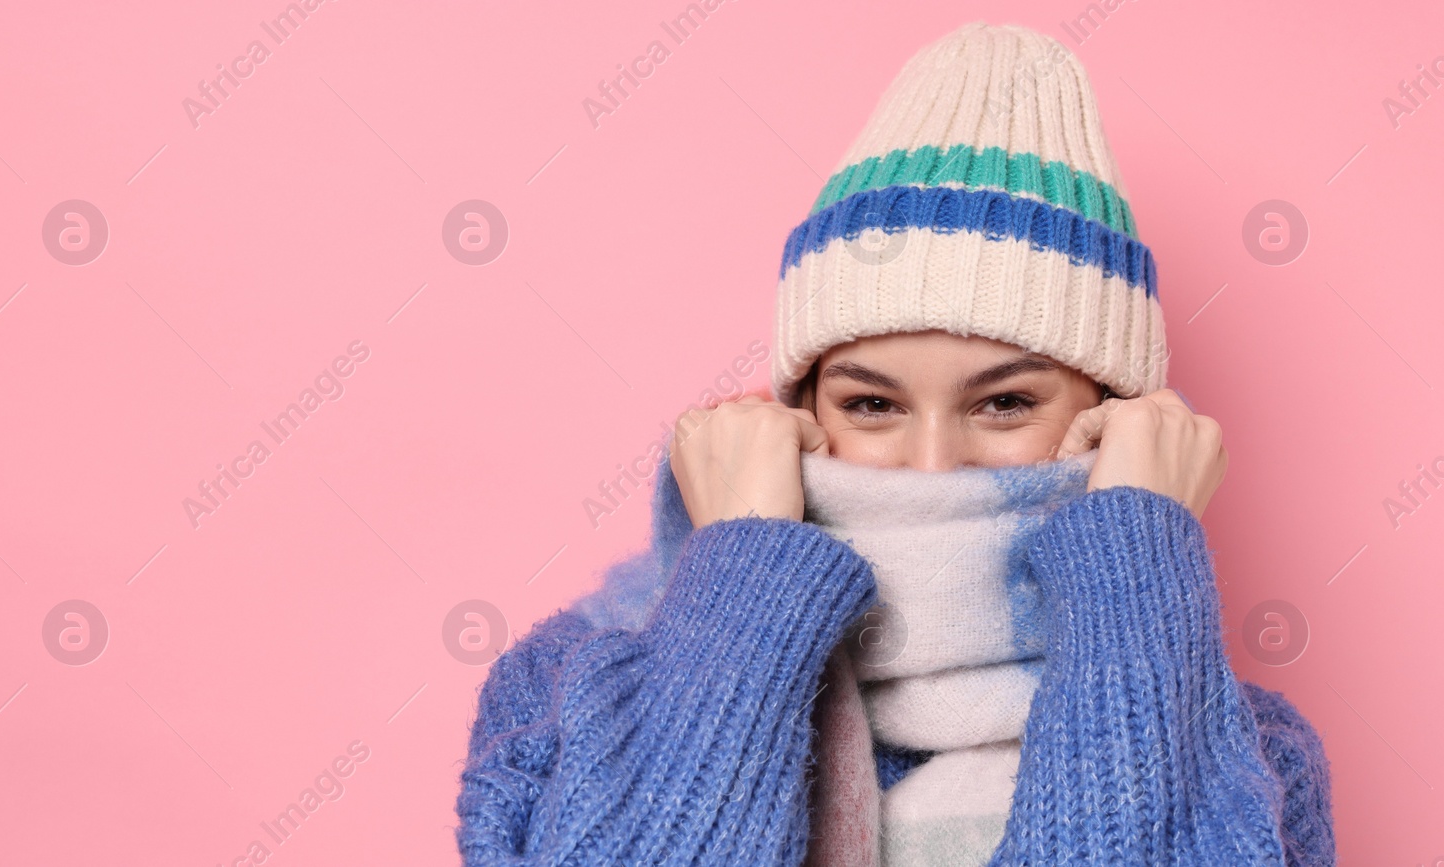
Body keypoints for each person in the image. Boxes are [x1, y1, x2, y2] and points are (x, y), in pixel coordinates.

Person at [454, 21, 1335, 866]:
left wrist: (1138, 557)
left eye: (1006, 403)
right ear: (795, 412)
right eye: (873, 404)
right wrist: (744, 581)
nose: (931, 465)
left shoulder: (1251, 761)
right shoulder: (571, 690)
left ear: (1115, 418)